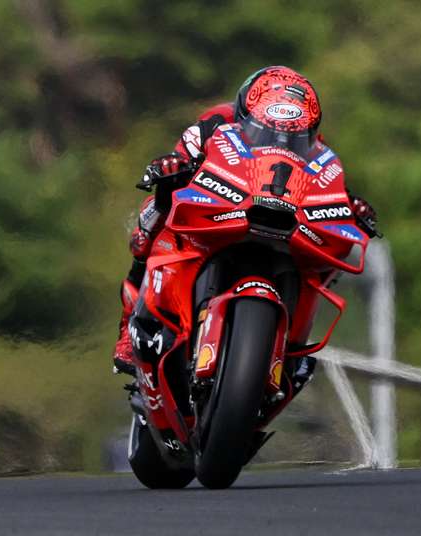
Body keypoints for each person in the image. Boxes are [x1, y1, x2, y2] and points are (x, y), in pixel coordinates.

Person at [112, 66, 379, 373]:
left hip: (283, 222)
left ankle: (290, 352)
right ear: (245, 111)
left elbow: (324, 183)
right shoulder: (215, 121)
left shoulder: (318, 147)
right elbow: (183, 156)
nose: (281, 139)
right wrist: (174, 166)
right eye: (267, 129)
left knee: (331, 252)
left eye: (293, 135)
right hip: (223, 207)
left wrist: (349, 204)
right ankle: (129, 323)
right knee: (156, 207)